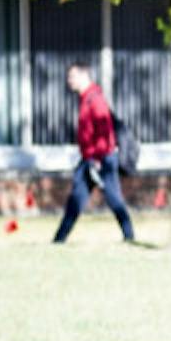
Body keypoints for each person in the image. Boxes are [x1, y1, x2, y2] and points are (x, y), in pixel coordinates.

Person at [55, 63, 136, 244]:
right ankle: (59, 239)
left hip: (101, 160)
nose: (69, 81)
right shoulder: (85, 98)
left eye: (72, 77)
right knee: (76, 199)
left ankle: (129, 236)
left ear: (84, 76)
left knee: (114, 198)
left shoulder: (95, 99)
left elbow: (105, 132)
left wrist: (98, 159)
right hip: (90, 159)